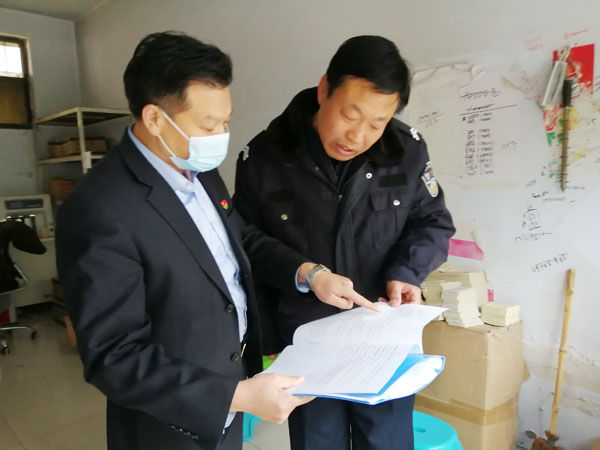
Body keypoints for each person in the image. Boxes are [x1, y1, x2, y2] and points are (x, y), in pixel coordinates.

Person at [56, 31, 311, 450]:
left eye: (226, 121)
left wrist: (308, 273)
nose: (221, 135)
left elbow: (236, 239)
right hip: (170, 420)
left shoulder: (198, 167)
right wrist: (233, 396)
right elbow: (113, 355)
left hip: (232, 388)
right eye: (209, 125)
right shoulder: (99, 209)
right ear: (155, 118)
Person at [234, 35, 455, 450]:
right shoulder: (265, 157)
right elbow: (244, 241)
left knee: (387, 441)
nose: (357, 135)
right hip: (307, 339)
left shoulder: (406, 151)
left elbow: (432, 222)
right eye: (349, 115)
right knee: (317, 441)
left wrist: (406, 273)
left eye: (376, 123)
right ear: (324, 90)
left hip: (383, 335)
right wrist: (303, 275)